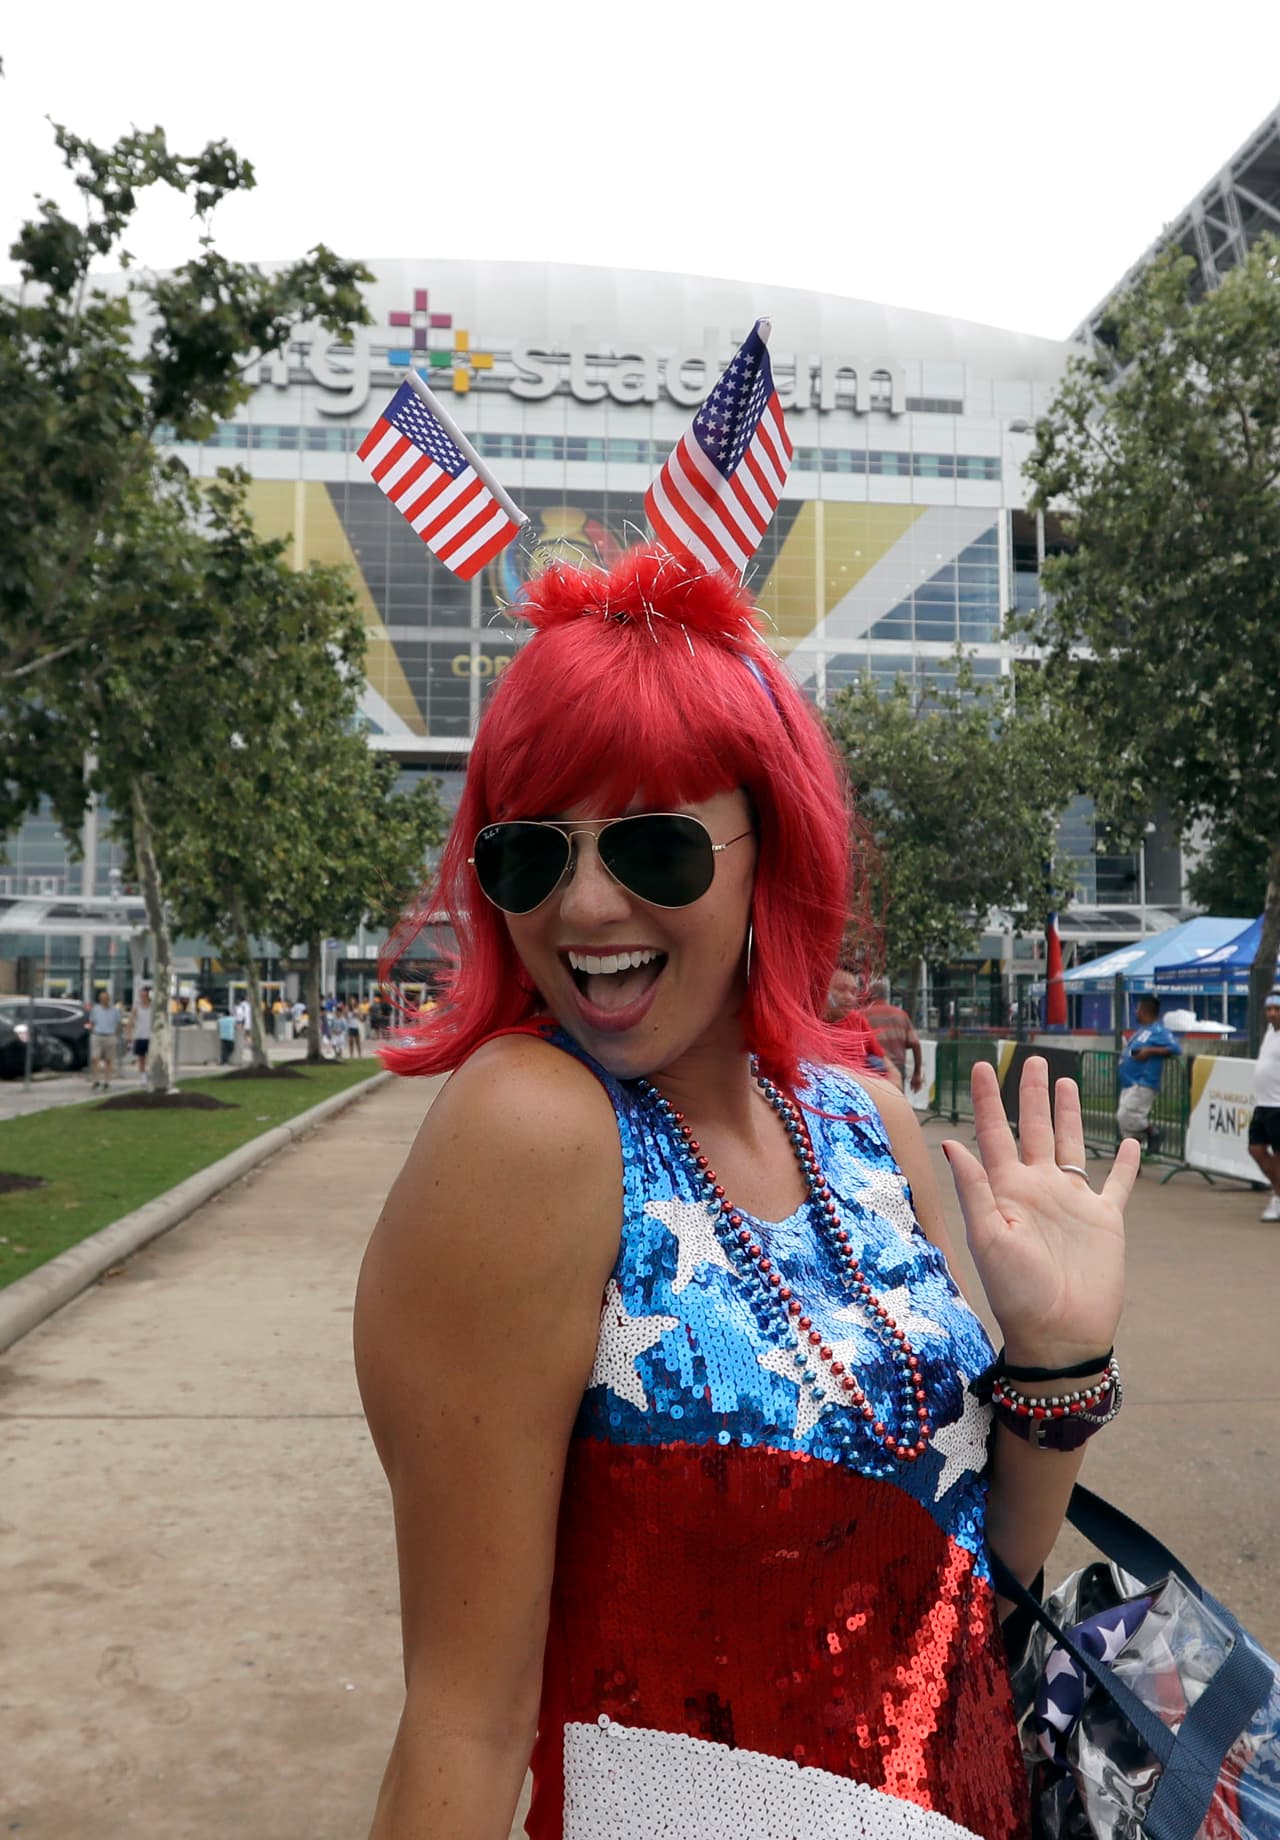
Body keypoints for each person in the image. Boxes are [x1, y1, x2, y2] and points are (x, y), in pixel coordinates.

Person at [353, 546, 1138, 1840]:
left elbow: (972, 1580)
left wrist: (1059, 1357)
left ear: (767, 842)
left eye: (656, 847)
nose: (587, 902)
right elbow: (466, 1721)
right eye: (531, 854)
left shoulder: (865, 1121)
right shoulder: (534, 1132)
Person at [1115, 992, 1181, 1152]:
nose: (1135, 1012)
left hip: (1142, 1082)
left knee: (1125, 1116)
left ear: (1145, 1010)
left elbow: (1175, 1048)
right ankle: (1130, 1164)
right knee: (1127, 1130)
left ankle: (1153, 1131)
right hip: (1129, 1082)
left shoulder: (1159, 1031)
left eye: (1137, 1009)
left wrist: (1150, 1051)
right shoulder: (1142, 1031)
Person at [825, 963, 900, 1086]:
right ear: (822, 988)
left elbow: (887, 1064)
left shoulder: (857, 1020)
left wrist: (894, 1087)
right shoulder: (809, 1025)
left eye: (854, 992)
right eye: (841, 989)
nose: (849, 997)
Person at [1248, 990, 1280, 1221]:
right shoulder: (1270, 1031)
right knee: (1256, 1150)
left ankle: (1277, 1198)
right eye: (1269, 1009)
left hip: (1279, 1105)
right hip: (1263, 1104)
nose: (1272, 1013)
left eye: (1277, 1009)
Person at [864, 974, 925, 1094]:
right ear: (886, 996)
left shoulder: (862, 1016)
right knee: (897, 1103)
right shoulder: (901, 1015)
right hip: (897, 1069)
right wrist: (917, 1073)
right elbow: (916, 1045)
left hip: (871, 1068)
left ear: (869, 995)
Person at [88, 987, 121, 1091]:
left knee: (108, 1060)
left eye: (106, 998)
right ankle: (96, 1080)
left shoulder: (115, 1010)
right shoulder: (95, 1009)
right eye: (102, 998)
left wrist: (115, 1034)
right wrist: (93, 1031)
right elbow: (92, 1022)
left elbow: (118, 1023)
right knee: (95, 1058)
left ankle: (107, 1081)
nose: (104, 1000)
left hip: (110, 1036)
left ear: (109, 999)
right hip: (98, 1035)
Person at [128, 987, 152, 1076]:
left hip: (150, 1036)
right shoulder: (136, 1007)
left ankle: (151, 1074)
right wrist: (129, 1036)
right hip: (140, 1036)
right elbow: (130, 1021)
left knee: (152, 1058)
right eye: (141, 995)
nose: (143, 997)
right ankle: (143, 1076)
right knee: (141, 1058)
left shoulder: (152, 1007)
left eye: (145, 995)